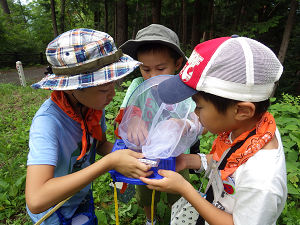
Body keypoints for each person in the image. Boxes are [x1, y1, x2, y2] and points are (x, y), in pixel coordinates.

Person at [140, 35, 287, 225]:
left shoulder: (261, 180)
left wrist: (185, 189)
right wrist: (187, 160)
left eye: (199, 106)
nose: (194, 112)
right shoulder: (253, 130)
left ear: (242, 110)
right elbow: (227, 159)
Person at [25, 28, 153, 225]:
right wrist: (109, 163)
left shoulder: (92, 108)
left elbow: (99, 144)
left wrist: (135, 154)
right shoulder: (48, 123)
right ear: (73, 87)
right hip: (52, 213)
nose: (111, 94)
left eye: (113, 83)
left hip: (80, 198)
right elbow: (36, 199)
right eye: (103, 88)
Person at [116, 24, 198, 225]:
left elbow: (198, 117)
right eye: (145, 69)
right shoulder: (137, 87)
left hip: (177, 158)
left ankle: (177, 220)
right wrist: (134, 118)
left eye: (161, 68)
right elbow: (125, 113)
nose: (153, 76)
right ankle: (150, 219)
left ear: (178, 63)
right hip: (144, 156)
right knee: (145, 193)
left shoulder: (185, 90)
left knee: (178, 195)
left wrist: (185, 123)